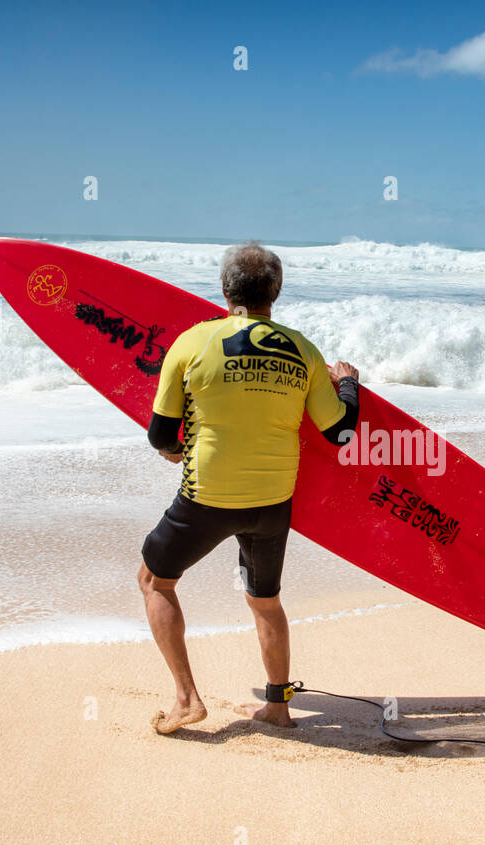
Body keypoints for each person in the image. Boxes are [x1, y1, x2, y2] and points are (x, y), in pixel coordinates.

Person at [138, 242, 361, 733]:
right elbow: (340, 433)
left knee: (155, 581)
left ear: (224, 289)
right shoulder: (303, 350)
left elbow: (160, 434)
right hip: (272, 503)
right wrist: (348, 384)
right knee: (265, 601)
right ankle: (278, 707)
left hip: (206, 498)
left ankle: (186, 700)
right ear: (276, 292)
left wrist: (174, 450)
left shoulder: (193, 343)